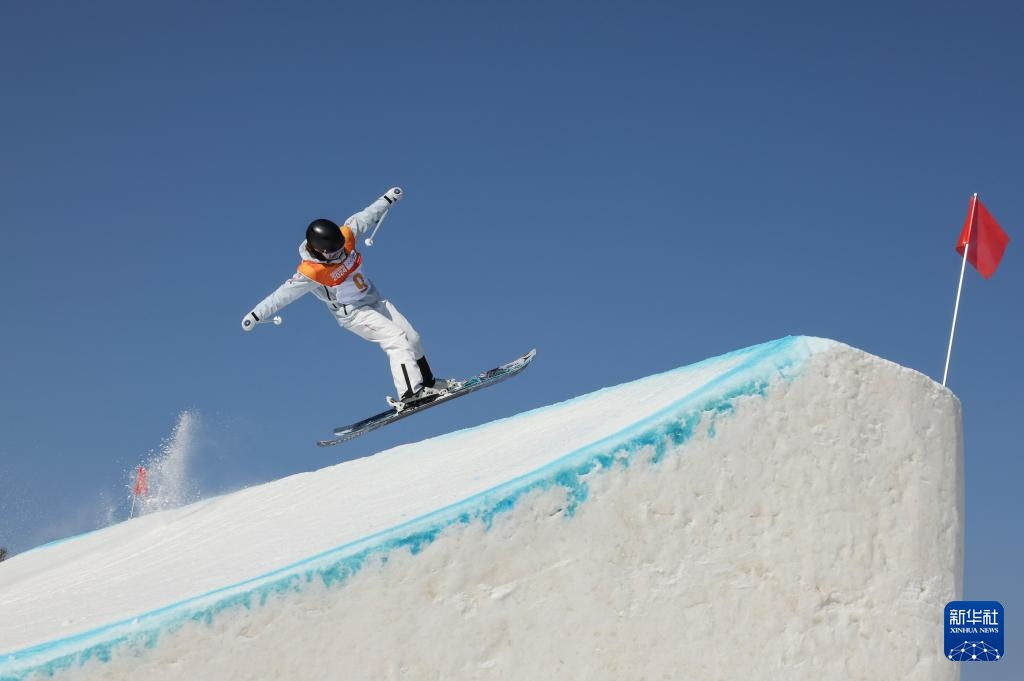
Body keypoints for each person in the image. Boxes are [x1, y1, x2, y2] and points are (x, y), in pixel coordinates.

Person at [241, 186, 452, 406]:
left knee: (413, 337)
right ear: (320, 252)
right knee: (395, 338)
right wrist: (256, 315)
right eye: (333, 253)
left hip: (375, 301)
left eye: (341, 248)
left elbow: (368, 215)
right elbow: (280, 296)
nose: (340, 254)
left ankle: (428, 383)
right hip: (354, 314)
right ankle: (410, 394)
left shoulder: (347, 235)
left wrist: (388, 198)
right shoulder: (311, 272)